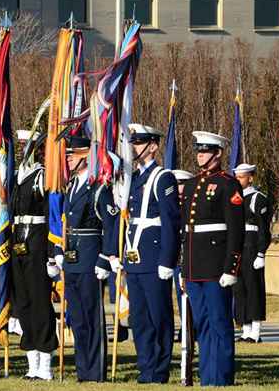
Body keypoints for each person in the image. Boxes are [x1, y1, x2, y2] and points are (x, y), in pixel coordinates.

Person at [109, 123, 180, 384]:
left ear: (152, 146)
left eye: (139, 143)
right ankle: (146, 366)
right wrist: (115, 253)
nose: (134, 147)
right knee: (139, 319)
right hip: (134, 259)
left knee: (158, 316)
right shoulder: (132, 179)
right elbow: (124, 218)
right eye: (133, 142)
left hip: (153, 258)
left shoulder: (163, 178)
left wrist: (167, 259)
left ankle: (159, 370)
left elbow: (171, 222)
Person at [48, 135, 117, 383]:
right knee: (77, 319)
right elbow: (64, 226)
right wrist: (57, 253)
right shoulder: (71, 187)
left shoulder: (98, 188)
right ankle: (82, 370)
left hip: (90, 258)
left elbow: (110, 224)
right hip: (72, 259)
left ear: (86, 156)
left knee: (91, 318)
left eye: (72, 155)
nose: (68, 158)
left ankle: (95, 371)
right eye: (68, 155)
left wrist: (104, 258)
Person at [180, 131, 244, 386]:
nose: (201, 154)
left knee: (219, 322)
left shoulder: (228, 184)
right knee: (202, 323)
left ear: (217, 154)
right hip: (195, 267)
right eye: (198, 150)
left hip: (217, 267)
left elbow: (235, 229)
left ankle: (222, 376)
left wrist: (231, 267)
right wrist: (184, 269)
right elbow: (186, 231)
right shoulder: (193, 184)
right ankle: (208, 376)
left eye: (206, 150)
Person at [10, 130, 57, 380]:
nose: (22, 150)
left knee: (40, 302)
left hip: (37, 242)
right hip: (18, 242)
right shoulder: (17, 176)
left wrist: (51, 254)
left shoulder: (42, 176)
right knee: (23, 302)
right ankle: (31, 361)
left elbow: (52, 217)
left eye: (26, 146)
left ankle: (45, 361)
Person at [232, 163, 271, 343]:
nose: (238, 180)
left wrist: (261, 253)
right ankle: (245, 329)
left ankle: (255, 331)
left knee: (254, 289)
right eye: (237, 176)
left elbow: (264, 229)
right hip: (238, 247)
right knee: (239, 290)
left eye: (242, 177)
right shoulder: (234, 198)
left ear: (251, 178)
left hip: (252, 247)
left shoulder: (258, 198)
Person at [172, 169, 194, 342]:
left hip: (188, 258)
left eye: (183, 185)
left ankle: (189, 327)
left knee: (187, 294)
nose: (180, 191)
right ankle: (183, 326)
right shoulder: (168, 206)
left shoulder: (192, 207)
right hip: (171, 258)